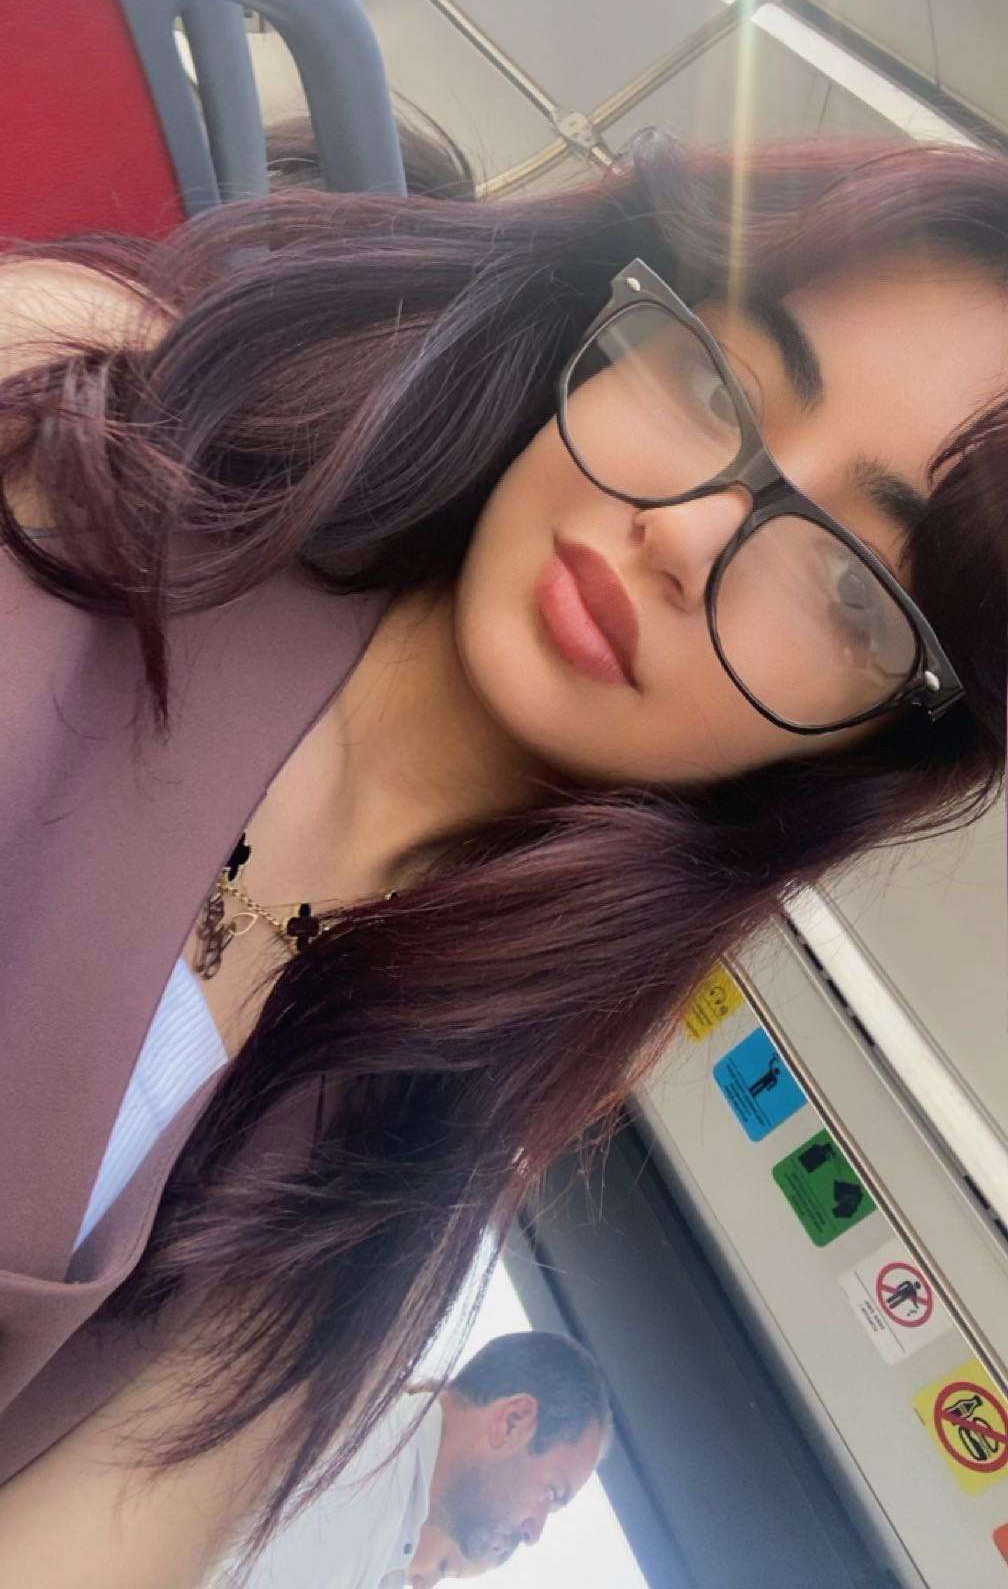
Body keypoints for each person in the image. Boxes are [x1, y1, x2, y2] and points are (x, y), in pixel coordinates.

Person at [0, 125, 1005, 1588]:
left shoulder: (421, 1155)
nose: (689, 534)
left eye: (849, 584)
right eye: (720, 381)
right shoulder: (88, 406)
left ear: (869, 743)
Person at [229, 1331, 608, 1589]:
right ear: (512, 1423)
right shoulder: (359, 1479)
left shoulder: (390, 1518)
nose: (533, 1532)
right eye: (551, 1493)